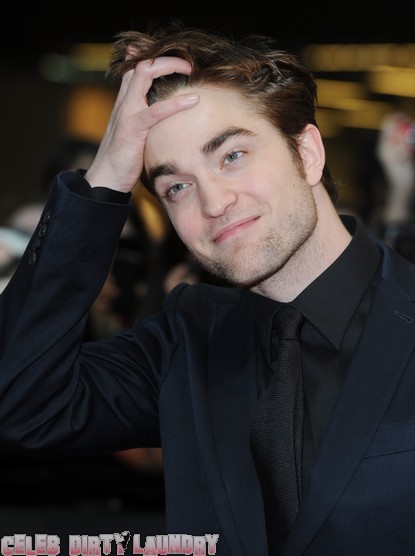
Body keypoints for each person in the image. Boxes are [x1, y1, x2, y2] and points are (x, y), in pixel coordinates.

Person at [0, 21, 415, 555]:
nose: (214, 202)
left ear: (307, 153)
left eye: (232, 156)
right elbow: (20, 401)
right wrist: (106, 175)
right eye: (177, 186)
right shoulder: (186, 341)